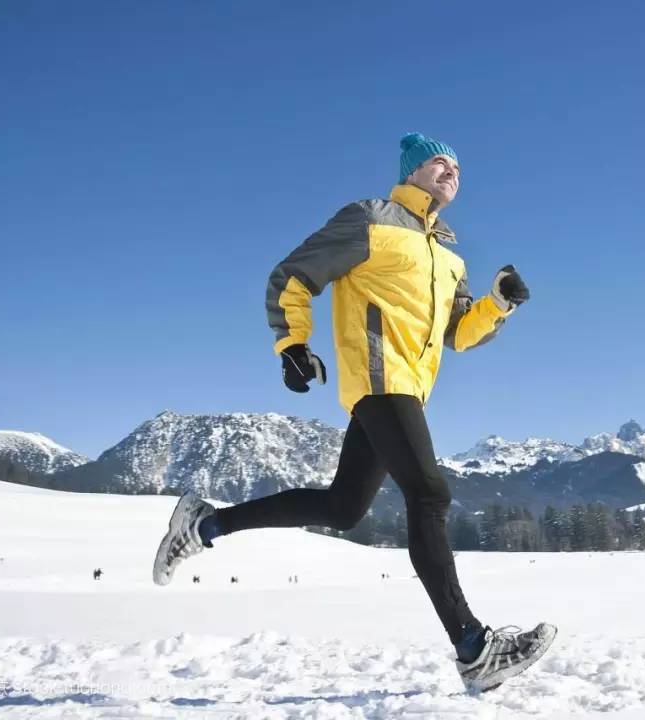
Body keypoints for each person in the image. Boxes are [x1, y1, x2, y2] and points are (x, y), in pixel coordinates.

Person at [153, 132, 556, 692]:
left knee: (344, 508)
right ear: (411, 171)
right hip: (378, 378)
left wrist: (498, 305)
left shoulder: (450, 257)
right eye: (438, 162)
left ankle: (206, 523)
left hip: (408, 390)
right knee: (430, 493)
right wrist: (292, 344)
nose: (450, 172)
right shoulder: (371, 218)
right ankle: (473, 647)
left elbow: (458, 335)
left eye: (457, 168)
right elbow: (293, 276)